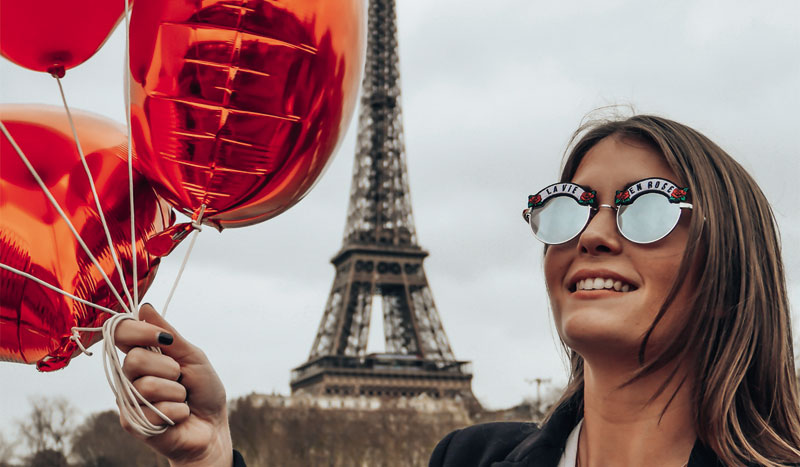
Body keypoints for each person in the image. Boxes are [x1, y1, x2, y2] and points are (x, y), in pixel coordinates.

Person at [114, 115, 800, 466]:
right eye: (571, 205)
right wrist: (210, 455)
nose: (592, 233)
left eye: (644, 206)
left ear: (730, 269)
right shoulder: (467, 457)